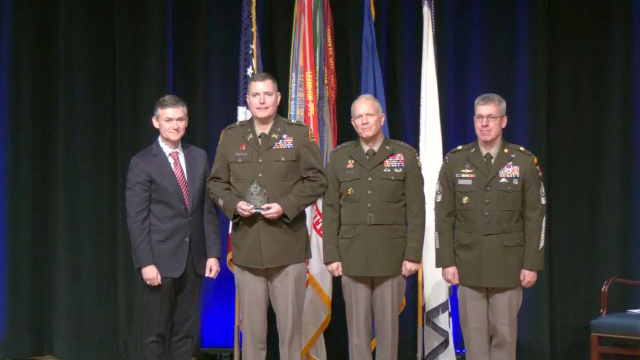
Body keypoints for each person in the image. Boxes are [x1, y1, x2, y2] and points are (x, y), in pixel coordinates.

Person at [207, 72, 327, 360]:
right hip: (248, 250)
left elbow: (317, 180)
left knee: (290, 334)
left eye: (267, 94)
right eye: (255, 95)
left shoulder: (297, 134)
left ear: (278, 98)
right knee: (253, 335)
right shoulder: (232, 135)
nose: (261, 100)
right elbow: (216, 183)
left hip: (287, 248)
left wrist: (286, 205)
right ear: (248, 99)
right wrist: (234, 204)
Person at [435, 93, 546, 360]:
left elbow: (536, 216)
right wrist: (446, 261)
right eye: (480, 118)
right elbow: (443, 214)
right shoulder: (455, 161)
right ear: (474, 121)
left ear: (503, 121)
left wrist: (531, 263)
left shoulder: (523, 162)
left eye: (491, 118)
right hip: (468, 263)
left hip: (508, 264)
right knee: (474, 341)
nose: (485, 124)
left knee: (505, 339)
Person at [323, 94, 425, 360]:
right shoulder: (339, 158)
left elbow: (416, 210)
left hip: (391, 256)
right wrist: (331, 255)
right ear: (353, 123)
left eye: (369, 115)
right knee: (356, 332)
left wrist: (412, 254)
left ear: (382, 119)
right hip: (352, 256)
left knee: (388, 332)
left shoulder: (405, 155)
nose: (364, 121)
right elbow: (331, 209)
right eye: (358, 117)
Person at [126, 95, 221, 360]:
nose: (175, 125)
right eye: (168, 120)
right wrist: (146, 262)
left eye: (180, 119)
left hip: (195, 260)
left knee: (186, 332)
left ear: (187, 122)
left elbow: (206, 209)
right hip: (159, 262)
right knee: (155, 333)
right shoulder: (142, 162)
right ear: (156, 122)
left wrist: (213, 253)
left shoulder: (198, 156)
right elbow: (137, 218)